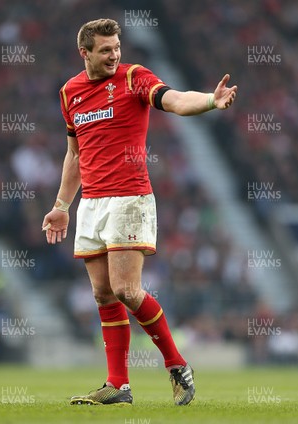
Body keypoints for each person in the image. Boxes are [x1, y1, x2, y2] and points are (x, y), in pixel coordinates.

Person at [42, 18, 237, 406]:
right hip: (92, 204)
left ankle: (178, 364)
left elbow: (175, 99)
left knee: (126, 290)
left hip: (129, 198)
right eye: (105, 50)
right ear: (85, 53)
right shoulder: (70, 93)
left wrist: (210, 101)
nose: (114, 54)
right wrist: (62, 206)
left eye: (117, 47)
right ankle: (118, 385)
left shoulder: (134, 78)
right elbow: (74, 155)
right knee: (102, 294)